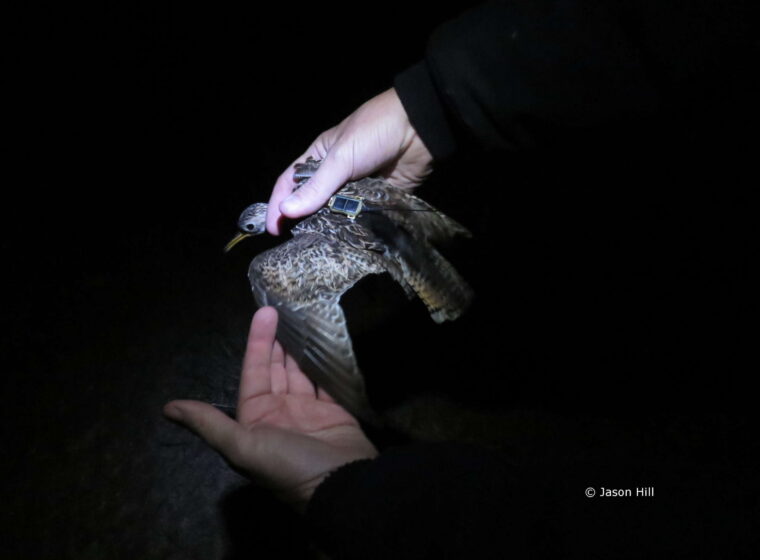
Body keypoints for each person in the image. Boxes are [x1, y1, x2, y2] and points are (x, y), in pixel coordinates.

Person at [166, 1, 756, 556]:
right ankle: (647, 495)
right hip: (617, 495)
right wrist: (420, 112)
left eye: (250, 228)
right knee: (628, 497)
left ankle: (645, 496)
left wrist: (422, 112)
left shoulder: (278, 257)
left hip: (610, 497)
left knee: (624, 497)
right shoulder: (313, 200)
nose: (251, 232)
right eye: (250, 229)